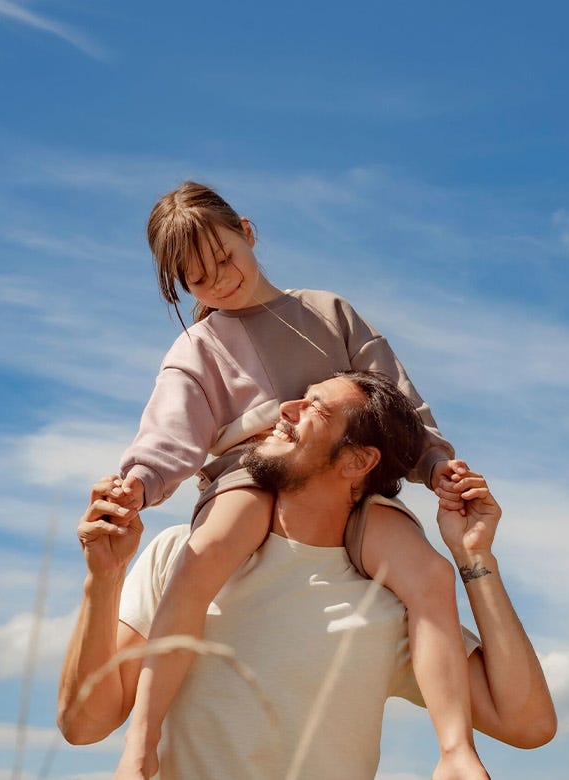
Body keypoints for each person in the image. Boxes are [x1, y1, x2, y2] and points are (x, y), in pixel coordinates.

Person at [105, 182, 480, 778]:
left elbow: (399, 404)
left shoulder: (327, 312)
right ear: (181, 286)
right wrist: (139, 485)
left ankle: (456, 751)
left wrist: (434, 465)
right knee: (201, 556)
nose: (220, 281)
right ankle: (139, 749)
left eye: (226, 258)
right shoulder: (196, 349)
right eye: (199, 279)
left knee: (430, 574)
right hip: (248, 474)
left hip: (351, 478)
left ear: (248, 232)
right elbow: (168, 439)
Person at [58, 371, 556, 779]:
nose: (284, 410)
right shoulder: (180, 554)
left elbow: (528, 723)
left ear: (359, 461)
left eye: (314, 408)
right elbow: (84, 725)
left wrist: (475, 556)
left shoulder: (386, 603)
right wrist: (104, 579)